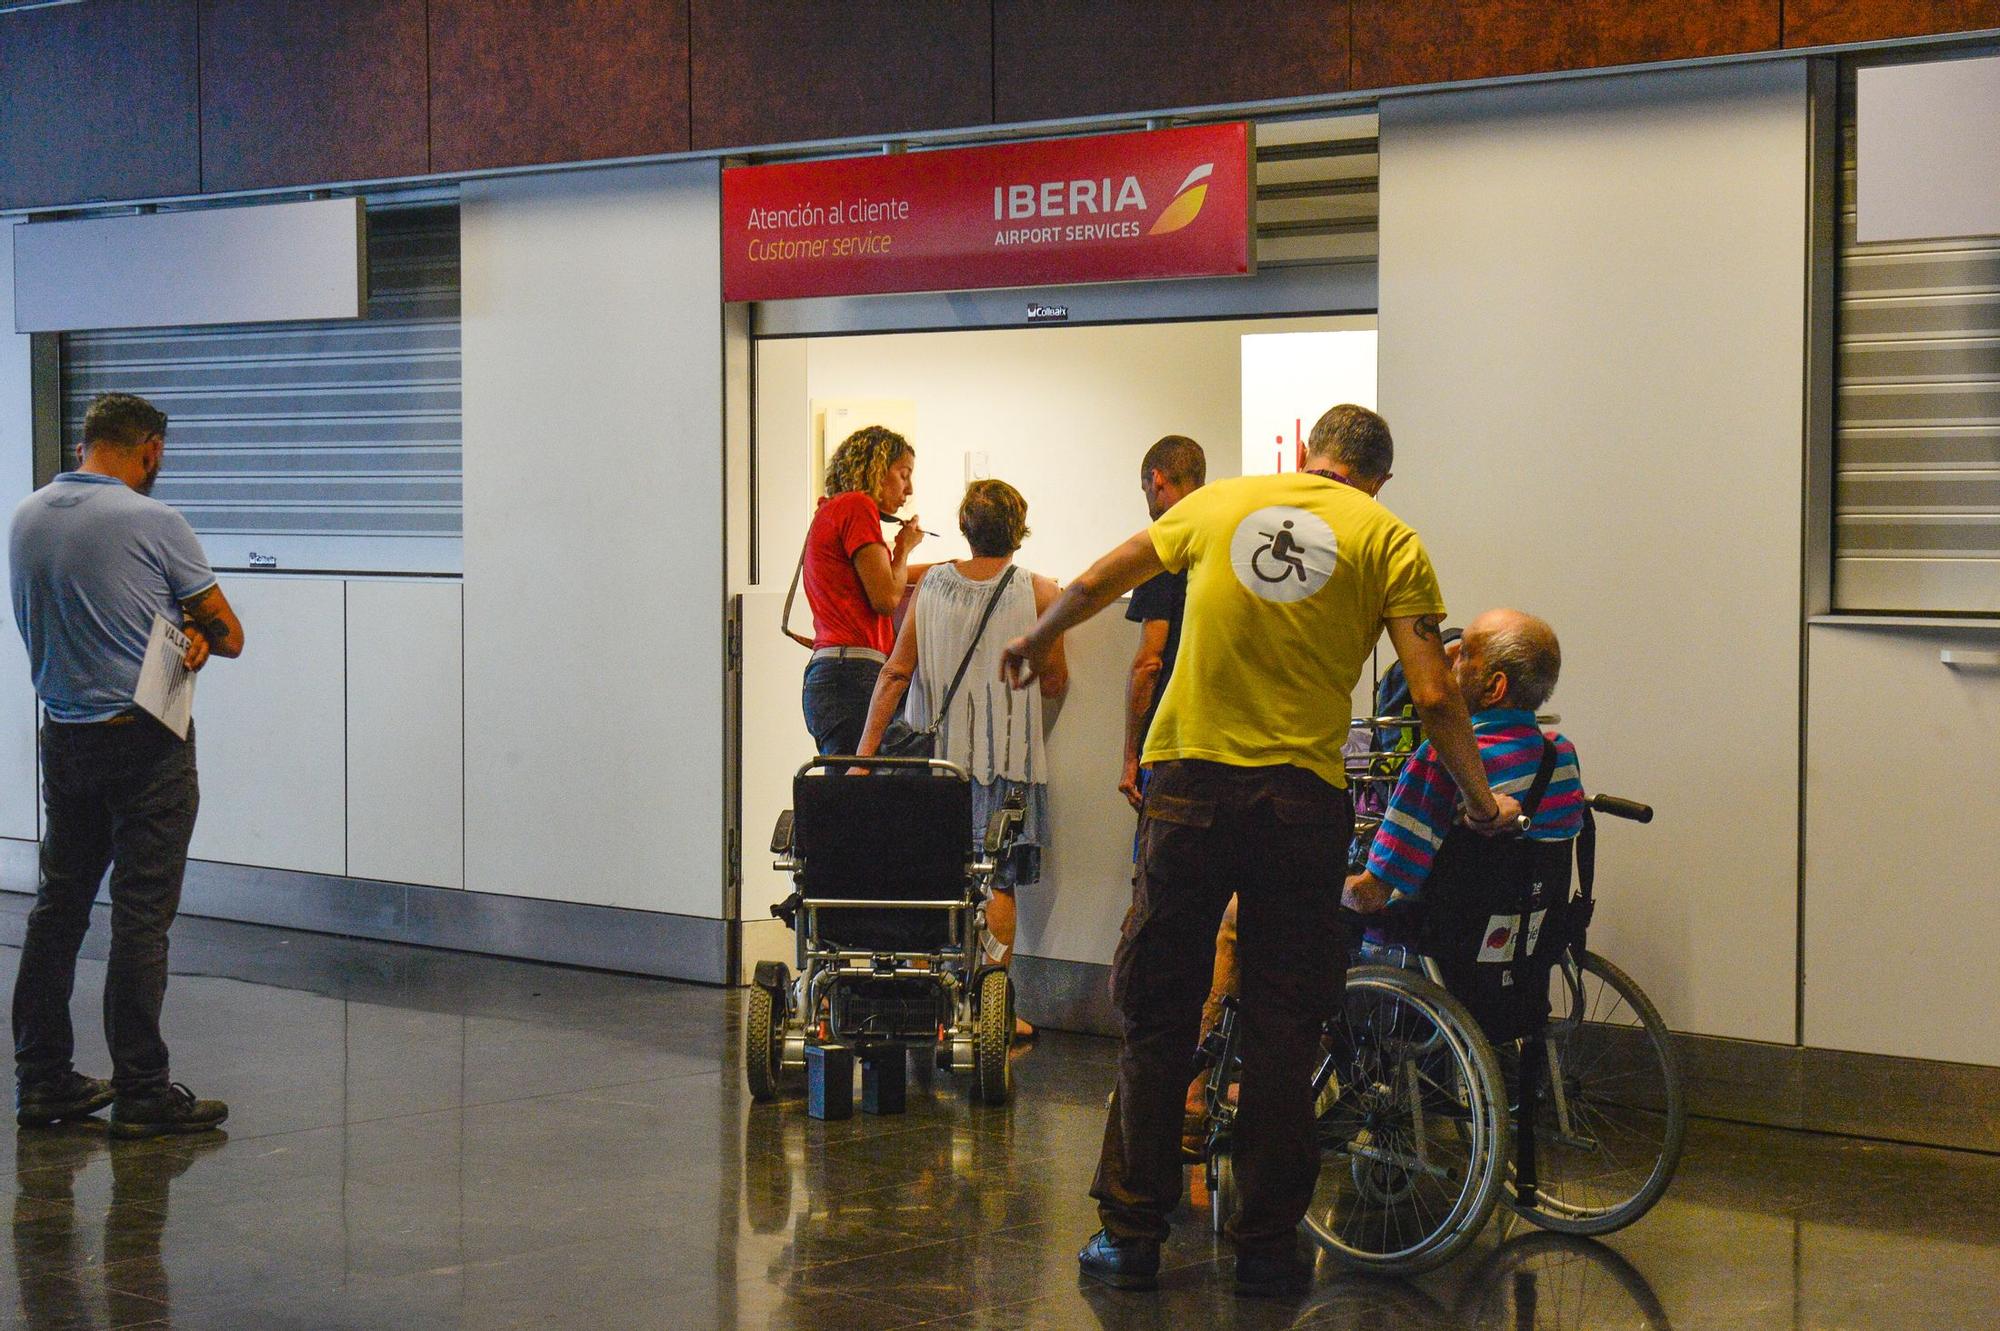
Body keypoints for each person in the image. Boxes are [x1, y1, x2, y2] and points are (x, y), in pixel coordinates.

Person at [1000, 403, 1521, 1299]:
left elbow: (1094, 580)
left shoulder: (1219, 504)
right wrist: (1480, 801)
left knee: (1160, 1011)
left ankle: (1130, 1237)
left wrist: (1035, 637)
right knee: (1288, 1025)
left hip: (1188, 789)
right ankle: (1268, 1250)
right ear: (1378, 477)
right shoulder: (1390, 537)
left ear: (1303, 454)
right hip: (1300, 805)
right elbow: (1435, 693)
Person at [9, 392, 243, 1137]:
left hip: (65, 738)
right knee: (142, 917)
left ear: (85, 444)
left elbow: (93, 612)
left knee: (58, 909)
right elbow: (230, 632)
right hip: (145, 744)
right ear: (147, 450)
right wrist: (191, 631)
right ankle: (143, 1088)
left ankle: (42, 1080)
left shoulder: (26, 516)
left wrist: (171, 627)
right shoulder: (154, 520)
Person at [857, 480, 1067, 1039]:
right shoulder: (1042, 594)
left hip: (937, 767)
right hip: (1008, 762)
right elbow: (1054, 682)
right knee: (999, 881)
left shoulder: (929, 590)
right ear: (1019, 528)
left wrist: (863, 755)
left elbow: (896, 672)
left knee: (936, 880)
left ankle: (935, 1002)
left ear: (965, 528)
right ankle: (993, 1010)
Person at [1343, 608, 1583, 915]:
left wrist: (1325, 886)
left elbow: (1370, 895)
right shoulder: (1561, 755)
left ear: (1494, 688)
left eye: (1466, 652)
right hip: (1529, 945)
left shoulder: (1440, 760)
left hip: (1437, 947)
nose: (1447, 654)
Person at [799, 425, 926, 756]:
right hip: (852, 674)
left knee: (846, 789)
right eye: (903, 474)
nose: (908, 489)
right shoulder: (857, 506)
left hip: (833, 675)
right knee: (859, 792)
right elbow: (886, 598)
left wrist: (942, 569)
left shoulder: (831, 510)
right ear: (876, 469)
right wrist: (903, 549)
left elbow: (873, 578)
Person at [1119, 435, 1205, 812]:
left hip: (1173, 739)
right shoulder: (1226, 539)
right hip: (1231, 746)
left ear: (1156, 480)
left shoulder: (1164, 548)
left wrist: (1130, 756)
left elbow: (1149, 664)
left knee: (1162, 863)